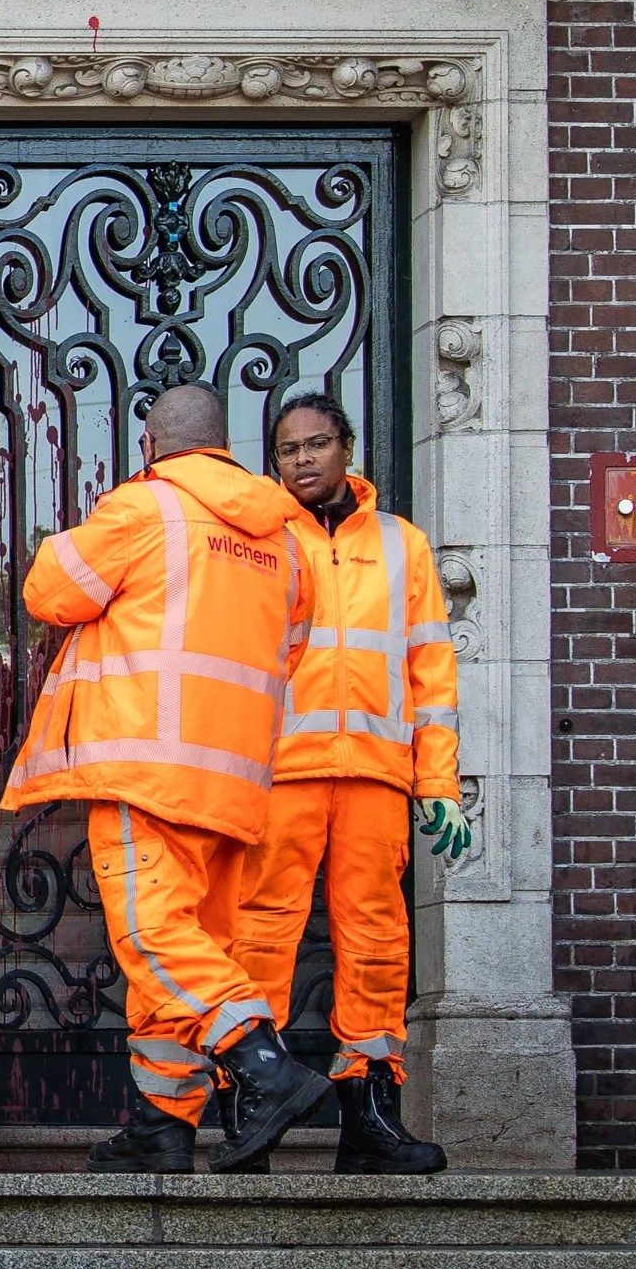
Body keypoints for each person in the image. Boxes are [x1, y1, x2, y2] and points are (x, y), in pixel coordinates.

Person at [7, 380, 338, 1173]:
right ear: (225, 449)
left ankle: (259, 1062)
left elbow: (45, 593)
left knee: (152, 942)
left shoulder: (142, 508)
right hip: (236, 782)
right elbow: (291, 644)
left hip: (146, 769)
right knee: (190, 947)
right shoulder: (284, 537)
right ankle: (164, 1124)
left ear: (153, 447)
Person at [218, 391, 469, 1175]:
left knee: (377, 946)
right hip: (279, 773)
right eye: (287, 449)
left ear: (347, 447)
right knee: (258, 938)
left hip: (373, 775)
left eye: (315, 444)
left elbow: (430, 672)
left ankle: (369, 1117)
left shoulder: (403, 546)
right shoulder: (257, 540)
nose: (300, 460)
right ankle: (249, 1113)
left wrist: (439, 782)